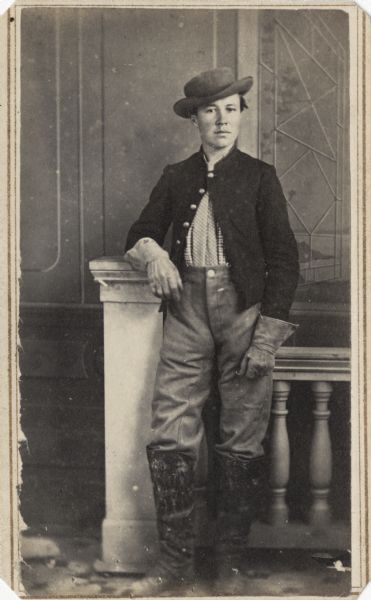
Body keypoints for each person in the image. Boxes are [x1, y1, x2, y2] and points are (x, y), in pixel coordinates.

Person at [122, 67, 299, 597]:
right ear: (194, 119)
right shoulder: (176, 175)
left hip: (245, 313)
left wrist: (267, 334)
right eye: (209, 110)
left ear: (241, 116)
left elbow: (285, 261)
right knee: (170, 428)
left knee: (242, 431)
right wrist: (153, 255)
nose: (221, 120)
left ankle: (230, 570)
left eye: (230, 110)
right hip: (185, 309)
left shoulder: (260, 176)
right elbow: (140, 233)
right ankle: (175, 569)